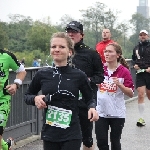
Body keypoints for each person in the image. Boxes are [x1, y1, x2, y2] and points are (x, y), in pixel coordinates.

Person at [24, 32, 99, 150]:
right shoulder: (42, 74)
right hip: (50, 133)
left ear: (70, 51)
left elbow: (90, 98)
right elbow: (27, 95)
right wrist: (35, 98)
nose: (57, 49)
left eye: (61, 47)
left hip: (71, 133)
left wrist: (92, 108)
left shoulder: (79, 75)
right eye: (54, 47)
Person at [65, 21, 104, 150]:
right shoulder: (62, 52)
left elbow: (100, 76)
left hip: (85, 101)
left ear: (82, 35)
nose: (71, 34)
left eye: (74, 32)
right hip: (66, 101)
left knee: (86, 138)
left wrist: (86, 80)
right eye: (68, 31)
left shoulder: (91, 53)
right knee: (66, 136)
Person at [95, 43, 134, 150]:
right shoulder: (100, 69)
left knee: (115, 141)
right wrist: (95, 83)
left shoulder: (124, 71)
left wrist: (120, 85)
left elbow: (131, 94)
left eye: (110, 51)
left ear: (118, 55)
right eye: (105, 51)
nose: (107, 54)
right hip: (101, 112)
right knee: (101, 142)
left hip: (117, 113)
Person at [0, 49, 26, 150]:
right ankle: (7, 145)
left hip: (2, 101)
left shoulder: (6, 56)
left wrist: (16, 84)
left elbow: (22, 71)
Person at [132, 29, 150, 127]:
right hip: (140, 73)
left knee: (149, 95)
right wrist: (134, 65)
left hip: (149, 73)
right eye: (141, 35)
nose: (143, 36)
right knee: (140, 94)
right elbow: (133, 59)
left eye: (144, 35)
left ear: (148, 36)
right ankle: (141, 118)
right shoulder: (136, 48)